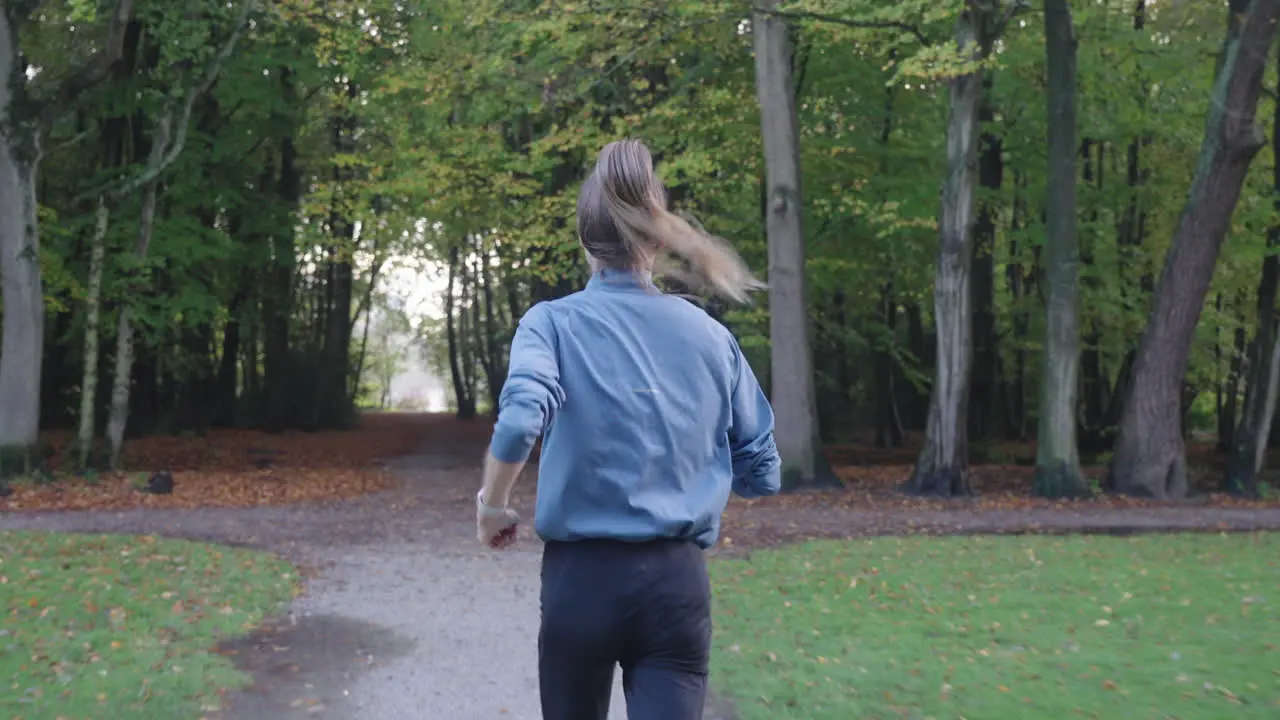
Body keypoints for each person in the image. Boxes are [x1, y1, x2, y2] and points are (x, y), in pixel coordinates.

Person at [474, 138, 782, 720]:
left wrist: (493, 506)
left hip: (579, 582)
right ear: (655, 237)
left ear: (585, 239)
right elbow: (762, 471)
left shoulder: (550, 324)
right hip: (676, 586)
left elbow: (520, 418)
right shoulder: (710, 336)